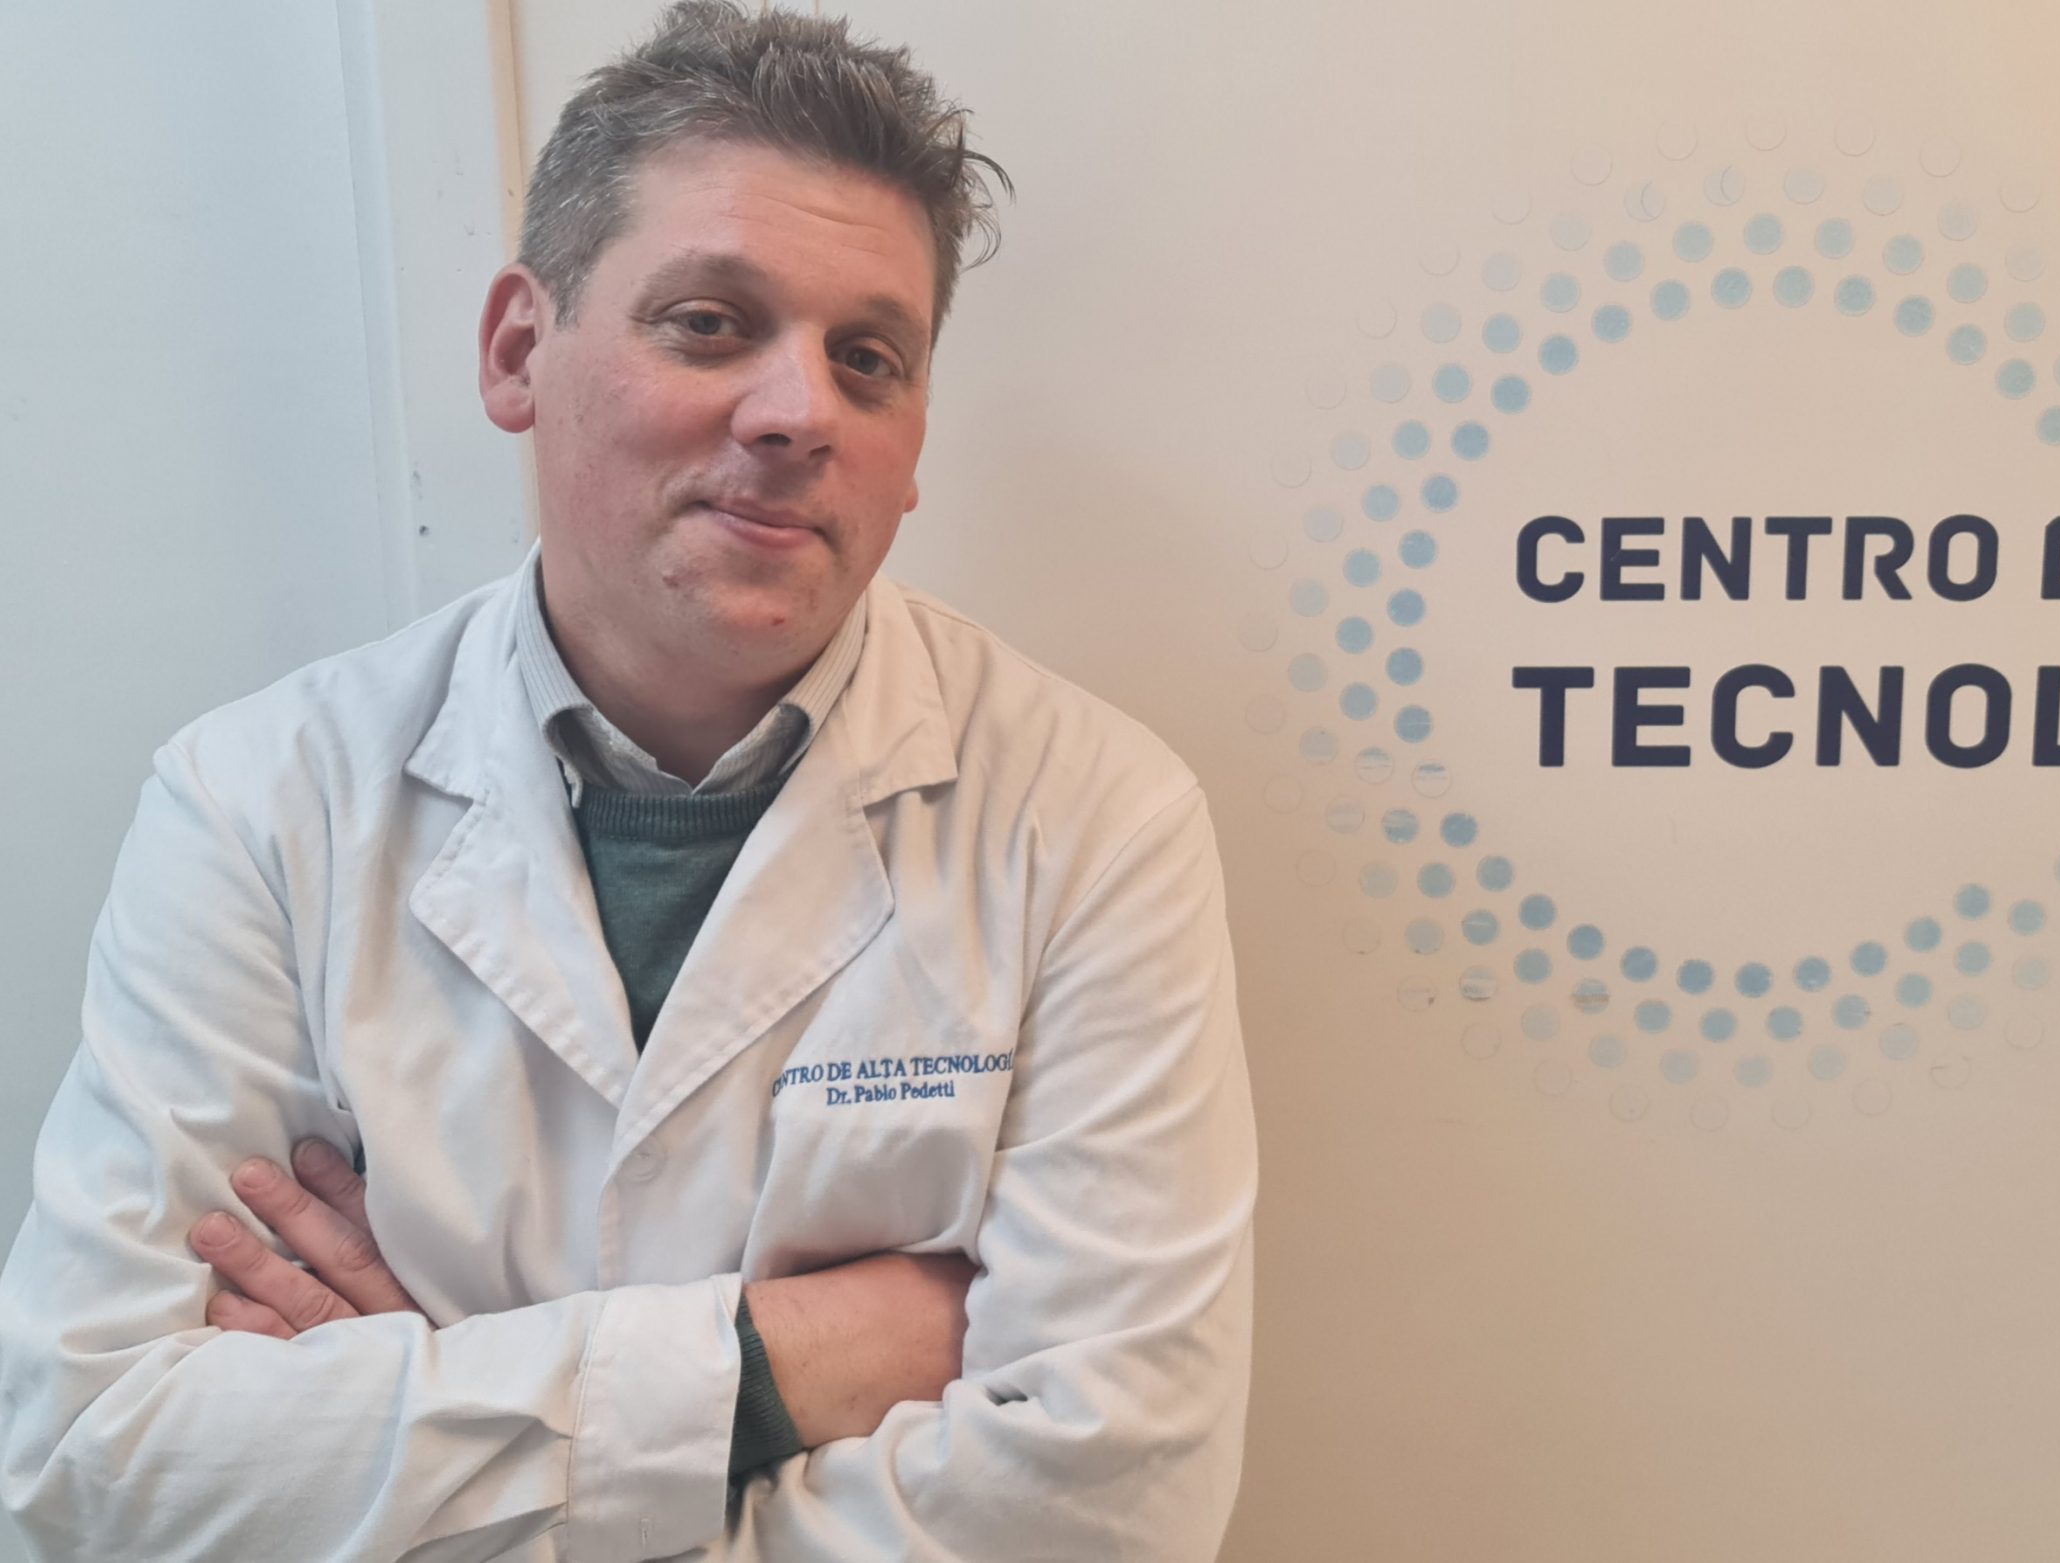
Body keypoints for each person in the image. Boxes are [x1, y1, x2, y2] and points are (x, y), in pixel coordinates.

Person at [0, 4, 1256, 1558]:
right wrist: (784, 1364)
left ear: (916, 439)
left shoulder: (1091, 820)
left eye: (869, 359)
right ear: (518, 351)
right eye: (711, 323)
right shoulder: (259, 804)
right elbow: (91, 1470)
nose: (801, 412)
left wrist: (422, 1410)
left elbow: (1112, 1509)